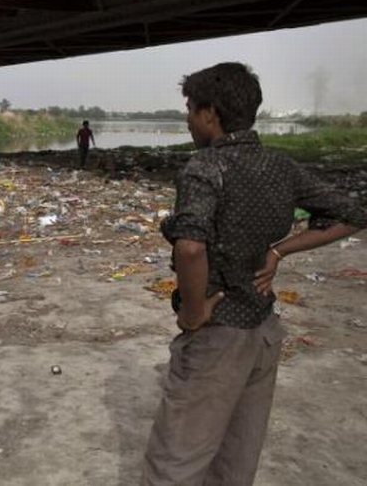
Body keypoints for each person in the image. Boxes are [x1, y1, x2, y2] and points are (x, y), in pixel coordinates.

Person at [142, 62, 366, 486]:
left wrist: (192, 314)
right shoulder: (281, 166)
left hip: (217, 336)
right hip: (263, 333)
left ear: (211, 113)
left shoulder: (205, 168)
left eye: (190, 108)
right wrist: (280, 250)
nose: (188, 119)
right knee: (235, 462)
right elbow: (353, 214)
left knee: (174, 465)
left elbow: (190, 247)